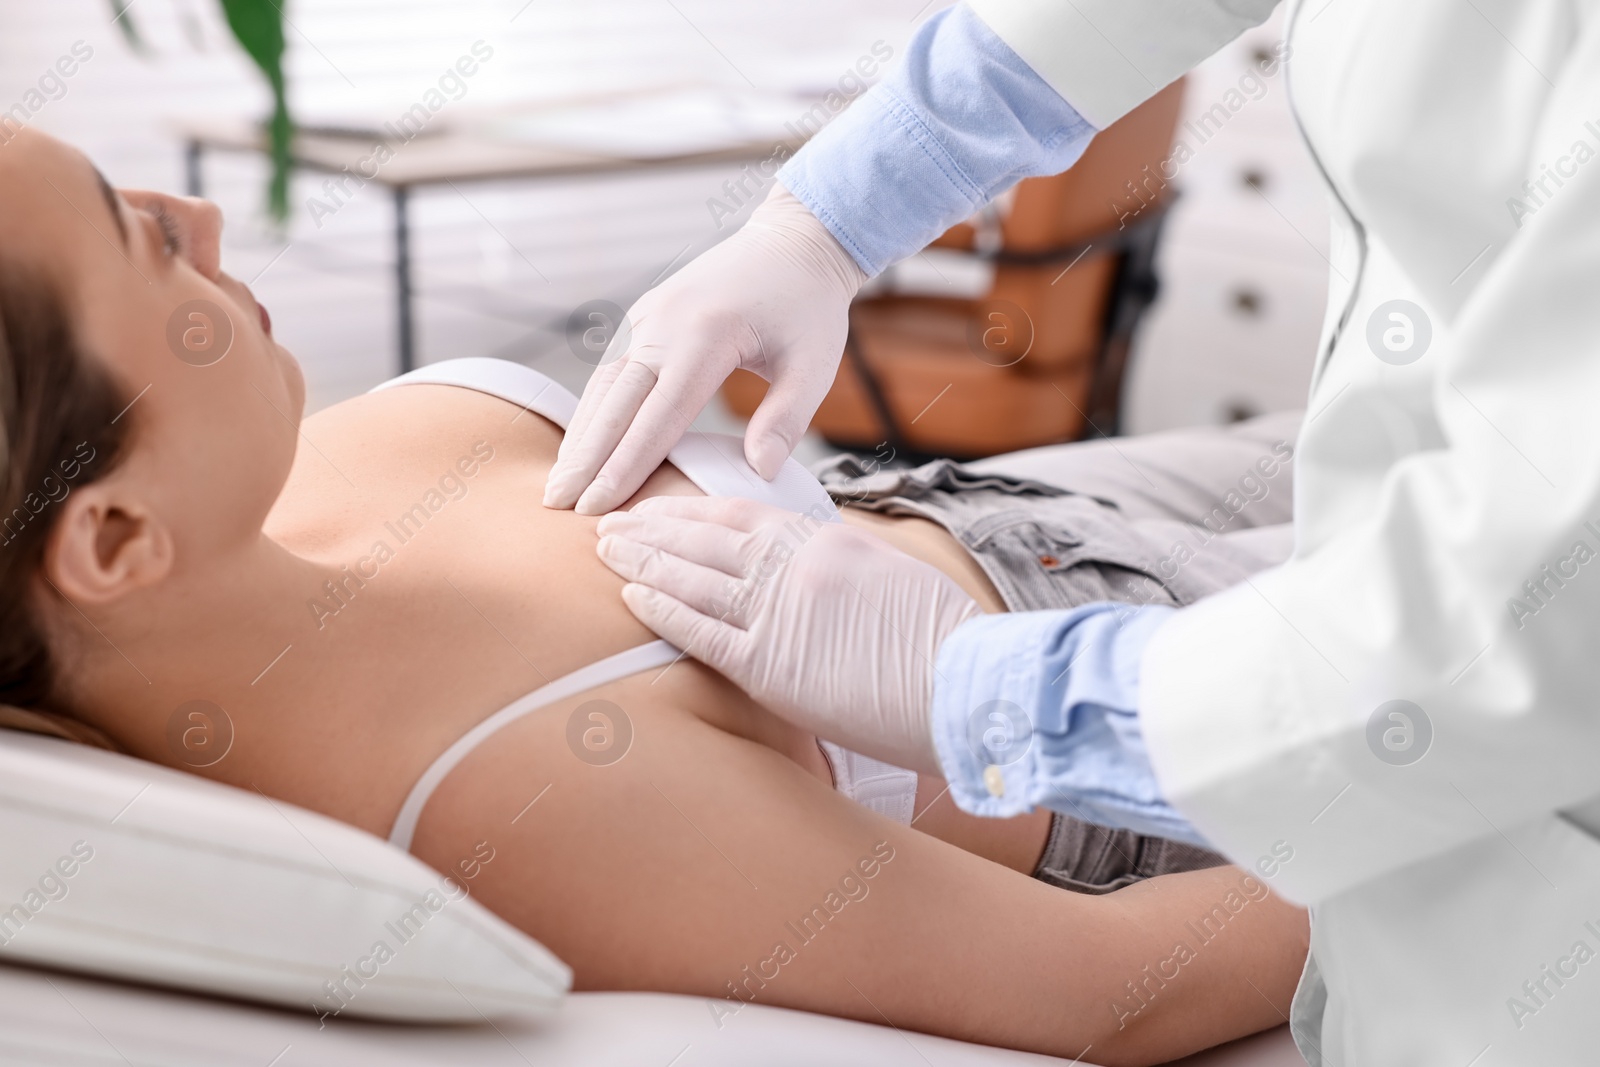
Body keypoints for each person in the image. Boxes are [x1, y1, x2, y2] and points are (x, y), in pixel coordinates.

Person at [0, 127, 1311, 1063]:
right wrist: (1473, 803)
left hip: (985, 508)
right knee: (1504, 559)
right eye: (143, 239)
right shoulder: (519, 792)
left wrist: (810, 235)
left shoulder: (262, 495)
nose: (203, 217)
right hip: (1125, 720)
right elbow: (1112, 994)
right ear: (114, 538)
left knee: (1440, 432)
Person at [567, 2, 1600, 1063]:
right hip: (1115, 537)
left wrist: (999, 696)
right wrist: (825, 218)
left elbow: (1538, 625)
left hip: (1289, 662)